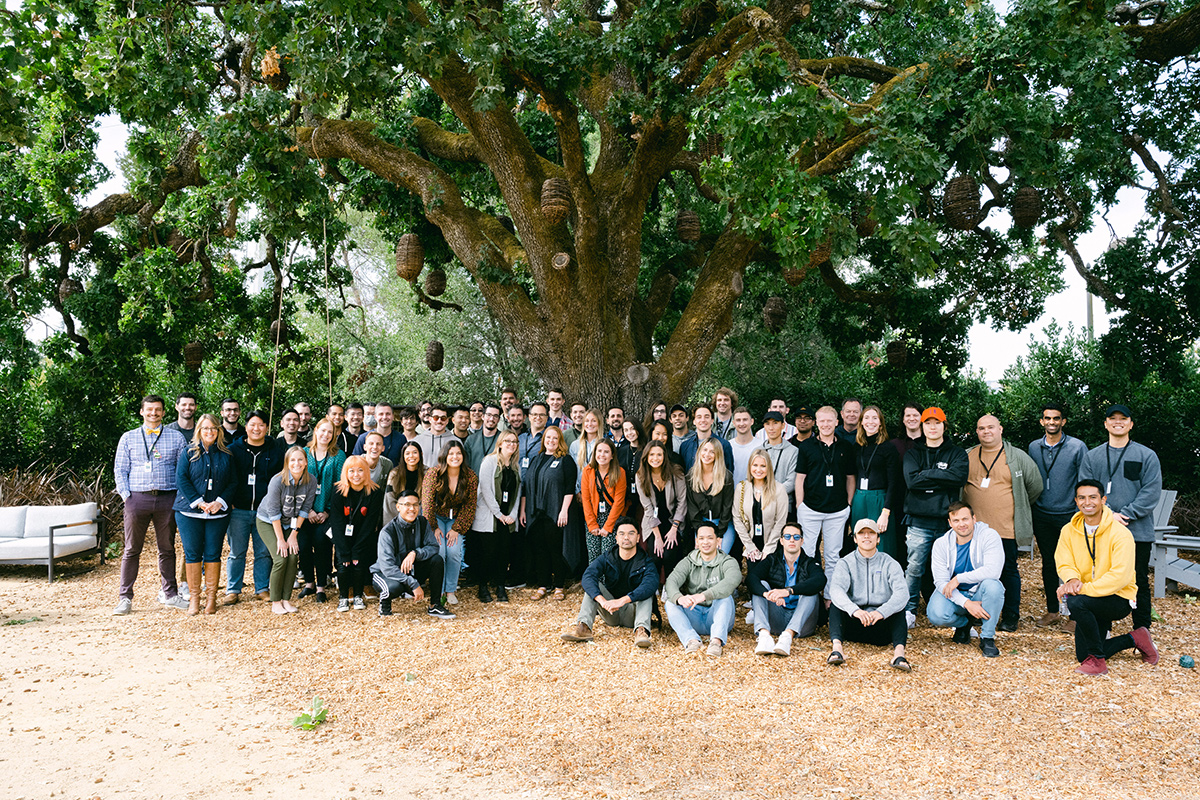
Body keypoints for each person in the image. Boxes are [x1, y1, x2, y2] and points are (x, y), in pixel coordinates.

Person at [1056, 480, 1159, 676]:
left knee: (1076, 602)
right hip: (1090, 598)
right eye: (1082, 498)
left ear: (1103, 500)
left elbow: (1119, 577)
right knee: (1081, 654)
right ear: (1076, 501)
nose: (1088, 502)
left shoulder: (1121, 534)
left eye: (1093, 497)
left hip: (1118, 598)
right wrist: (1071, 579)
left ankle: (1098, 662)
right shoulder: (1068, 530)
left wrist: (1080, 589)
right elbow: (1064, 561)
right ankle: (1135, 638)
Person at [1078, 404, 1162, 633]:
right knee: (1100, 579)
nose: (1118, 422)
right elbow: (1086, 490)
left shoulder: (1146, 455)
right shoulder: (1092, 456)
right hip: (1100, 531)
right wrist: (1108, 514)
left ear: (1131, 423)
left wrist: (1124, 514)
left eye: (1123, 418)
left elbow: (1151, 492)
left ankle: (1142, 632)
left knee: (1139, 581)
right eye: (1112, 418)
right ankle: (1102, 630)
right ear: (1105, 423)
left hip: (1137, 531)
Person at [962, 414, 1043, 632]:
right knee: (975, 572)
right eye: (981, 428)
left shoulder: (1016, 456)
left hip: (1005, 529)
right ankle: (979, 613)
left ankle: (1010, 616)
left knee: (1007, 570)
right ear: (977, 432)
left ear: (1000, 429)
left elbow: (1035, 486)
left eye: (990, 427)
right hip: (973, 530)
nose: (986, 431)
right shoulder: (968, 455)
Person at [113, 395, 190, 615]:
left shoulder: (176, 438)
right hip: (137, 498)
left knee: (166, 548)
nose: (153, 413)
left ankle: (171, 594)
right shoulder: (128, 438)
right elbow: (120, 469)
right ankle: (125, 598)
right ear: (141, 412)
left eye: (158, 410)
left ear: (164, 412)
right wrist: (126, 496)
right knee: (131, 549)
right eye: (149, 410)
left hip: (167, 499)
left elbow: (182, 469)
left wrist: (178, 497)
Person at [902, 407, 968, 627]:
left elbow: (958, 477)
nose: (932, 427)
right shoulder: (913, 453)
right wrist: (942, 477)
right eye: (928, 423)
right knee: (914, 568)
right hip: (919, 521)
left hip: (947, 522)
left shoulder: (957, 453)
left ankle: (953, 609)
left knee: (951, 569)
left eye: (937, 423)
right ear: (922, 427)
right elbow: (911, 482)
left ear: (944, 425)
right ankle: (909, 611)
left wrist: (926, 474)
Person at [1028, 403, 1089, 629]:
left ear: (1063, 421)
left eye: (1056, 418)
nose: (1052, 422)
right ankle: (1053, 611)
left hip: (1068, 515)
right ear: (1042, 421)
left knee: (1075, 565)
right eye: (1047, 418)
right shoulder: (1033, 447)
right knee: (1049, 564)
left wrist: (1079, 513)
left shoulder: (1077, 447)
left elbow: (1084, 480)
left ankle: (1075, 615)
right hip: (1042, 514)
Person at [172, 413, 235, 615]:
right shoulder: (188, 452)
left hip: (217, 513)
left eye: (213, 428)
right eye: (206, 428)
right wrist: (199, 503)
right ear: (199, 430)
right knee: (192, 554)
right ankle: (194, 599)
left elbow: (233, 482)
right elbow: (181, 479)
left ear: (219, 431)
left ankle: (211, 599)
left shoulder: (227, 454)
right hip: (189, 512)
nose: (210, 432)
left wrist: (219, 502)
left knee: (213, 554)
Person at [561, 518, 659, 647]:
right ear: (616, 538)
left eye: (631, 533)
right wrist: (602, 600)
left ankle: (641, 632)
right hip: (610, 611)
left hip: (633, 613)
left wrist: (622, 600)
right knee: (593, 587)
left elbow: (651, 584)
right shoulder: (608, 557)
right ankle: (583, 628)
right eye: (622, 533)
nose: (626, 537)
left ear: (638, 537)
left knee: (646, 591)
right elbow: (588, 576)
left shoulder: (646, 561)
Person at [828, 519, 910, 671]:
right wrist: (855, 611)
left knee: (899, 607)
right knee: (836, 604)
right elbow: (836, 590)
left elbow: (902, 593)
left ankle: (899, 654)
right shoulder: (845, 563)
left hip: (880, 624)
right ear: (855, 538)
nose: (867, 537)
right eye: (861, 533)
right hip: (854, 623)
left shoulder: (890, 563)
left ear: (878, 539)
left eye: (871, 533)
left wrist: (882, 612)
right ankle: (837, 649)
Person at [927, 502, 1006, 657]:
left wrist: (959, 578)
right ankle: (964, 625)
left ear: (974, 519)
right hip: (956, 595)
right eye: (956, 521)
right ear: (949, 523)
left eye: (965, 519)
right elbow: (941, 582)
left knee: (994, 586)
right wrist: (966, 603)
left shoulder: (989, 536)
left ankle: (987, 637)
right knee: (935, 614)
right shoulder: (941, 544)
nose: (961, 524)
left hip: (980, 593)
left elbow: (993, 571)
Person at [795, 406, 857, 598]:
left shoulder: (846, 447)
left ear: (836, 422)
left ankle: (830, 597)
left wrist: (848, 503)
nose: (826, 424)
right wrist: (800, 505)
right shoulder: (806, 446)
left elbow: (850, 477)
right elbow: (800, 478)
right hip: (810, 508)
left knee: (833, 556)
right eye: (821, 421)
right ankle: (806, 593)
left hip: (837, 510)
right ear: (816, 422)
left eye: (829, 421)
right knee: (806, 553)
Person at [225, 409, 283, 605]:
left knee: (264, 552)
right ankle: (233, 590)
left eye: (261, 425)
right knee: (236, 552)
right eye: (252, 424)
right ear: (246, 426)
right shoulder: (233, 449)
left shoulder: (275, 449)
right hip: (238, 510)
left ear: (267, 427)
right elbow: (227, 478)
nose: (256, 428)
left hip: (264, 512)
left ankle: (262, 588)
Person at [371, 491, 456, 620]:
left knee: (437, 560)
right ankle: (385, 603)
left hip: (410, 571)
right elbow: (387, 567)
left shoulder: (422, 523)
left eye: (416, 505)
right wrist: (413, 584)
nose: (412, 509)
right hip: (385, 574)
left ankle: (435, 605)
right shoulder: (388, 531)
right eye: (407, 505)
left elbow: (434, 547)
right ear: (398, 507)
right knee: (394, 587)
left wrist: (415, 553)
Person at [747, 521, 826, 656]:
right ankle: (764, 636)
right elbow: (751, 578)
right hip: (777, 617)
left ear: (802, 541)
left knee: (810, 591)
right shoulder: (772, 560)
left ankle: (787, 637)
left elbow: (820, 580)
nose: (792, 540)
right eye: (788, 536)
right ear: (781, 540)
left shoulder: (810, 562)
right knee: (761, 587)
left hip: (803, 623)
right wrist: (768, 595)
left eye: (796, 537)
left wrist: (788, 591)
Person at [255, 446, 317, 614]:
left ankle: (286, 599)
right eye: (292, 460)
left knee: (292, 557)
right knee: (281, 558)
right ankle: (276, 601)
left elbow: (305, 509)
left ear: (305, 462)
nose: (296, 463)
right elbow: (273, 513)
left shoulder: (311, 481)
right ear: (287, 463)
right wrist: (281, 540)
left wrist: (294, 535)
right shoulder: (278, 480)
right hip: (268, 521)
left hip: (291, 523)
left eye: (300, 460)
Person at [662, 524, 741, 657]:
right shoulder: (689, 561)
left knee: (725, 597)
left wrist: (704, 596)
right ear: (696, 541)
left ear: (718, 541)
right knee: (670, 602)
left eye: (710, 538)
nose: (705, 542)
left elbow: (733, 579)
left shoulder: (727, 561)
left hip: (717, 616)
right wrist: (679, 598)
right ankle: (691, 640)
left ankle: (716, 642)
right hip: (694, 615)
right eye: (701, 538)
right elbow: (672, 581)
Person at [521, 426, 577, 601]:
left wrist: (563, 510)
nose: (551, 441)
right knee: (539, 550)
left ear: (560, 440)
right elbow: (526, 487)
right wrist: (523, 510)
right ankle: (542, 585)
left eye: (555, 438)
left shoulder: (565, 460)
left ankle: (559, 586)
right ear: (543, 440)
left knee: (555, 550)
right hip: (535, 513)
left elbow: (569, 488)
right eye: (548, 438)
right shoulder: (536, 459)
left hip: (555, 513)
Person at [421, 440, 478, 605]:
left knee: (454, 552)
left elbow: (470, 505)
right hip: (437, 518)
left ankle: (451, 590)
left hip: (456, 520)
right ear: (444, 455)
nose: (455, 457)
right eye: (451, 453)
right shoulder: (434, 473)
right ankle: (438, 590)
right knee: (441, 552)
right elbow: (427, 503)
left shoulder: (470, 476)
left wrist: (457, 529)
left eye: (458, 453)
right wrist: (433, 527)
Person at [472, 430, 522, 602]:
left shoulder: (516, 466)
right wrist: (499, 514)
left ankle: (500, 585)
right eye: (507, 441)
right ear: (500, 443)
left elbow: (518, 492)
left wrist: (513, 515)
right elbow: (486, 490)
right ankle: (483, 586)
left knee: (504, 553)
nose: (511, 444)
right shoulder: (489, 461)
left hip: (507, 518)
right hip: (490, 517)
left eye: (514, 442)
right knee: (489, 553)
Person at [329, 455, 384, 612]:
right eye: (351, 471)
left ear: (366, 472)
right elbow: (337, 523)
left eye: (360, 470)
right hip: (342, 536)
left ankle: (358, 595)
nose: (356, 474)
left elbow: (370, 524)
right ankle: (343, 597)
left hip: (363, 536)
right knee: (343, 563)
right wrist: (345, 552)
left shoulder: (375, 492)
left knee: (359, 562)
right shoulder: (338, 491)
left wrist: (356, 551)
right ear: (346, 473)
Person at [299, 418, 345, 603]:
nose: (326, 435)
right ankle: (309, 583)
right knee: (302, 545)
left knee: (321, 544)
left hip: (327, 511)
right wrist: (307, 510)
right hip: (304, 511)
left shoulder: (338, 455)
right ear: (316, 431)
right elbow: (296, 483)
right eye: (323, 430)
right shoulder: (303, 452)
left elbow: (340, 486)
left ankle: (321, 587)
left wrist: (327, 512)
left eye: (330, 432)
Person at [851, 406, 904, 561]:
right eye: (866, 418)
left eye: (875, 418)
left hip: (880, 499)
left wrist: (885, 512)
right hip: (859, 499)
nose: (870, 422)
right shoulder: (856, 447)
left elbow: (894, 482)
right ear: (861, 422)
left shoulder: (888, 448)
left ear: (881, 423)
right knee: (860, 540)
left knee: (882, 544)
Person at [636, 441, 689, 576]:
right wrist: (658, 537)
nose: (655, 458)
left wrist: (674, 528)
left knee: (669, 554)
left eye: (659, 454)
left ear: (665, 456)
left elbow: (682, 501)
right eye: (652, 454)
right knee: (655, 555)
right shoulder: (641, 476)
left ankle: (669, 586)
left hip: (672, 521)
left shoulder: (675, 472)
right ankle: (653, 586)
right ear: (646, 457)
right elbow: (647, 508)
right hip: (653, 522)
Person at [733, 449, 789, 562]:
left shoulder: (779, 489)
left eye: (763, 466)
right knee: (753, 578)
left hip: (773, 546)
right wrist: (750, 546)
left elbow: (780, 521)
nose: (758, 470)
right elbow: (737, 518)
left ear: (768, 468)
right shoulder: (742, 488)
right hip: (751, 548)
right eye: (755, 465)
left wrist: (768, 549)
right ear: (750, 467)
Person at [581, 439, 628, 562]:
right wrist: (592, 525)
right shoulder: (588, 471)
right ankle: (594, 581)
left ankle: (608, 581)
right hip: (593, 517)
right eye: (599, 451)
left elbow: (619, 502)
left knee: (608, 554)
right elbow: (585, 500)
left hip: (612, 518)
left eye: (606, 452)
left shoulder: (619, 472)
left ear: (612, 456)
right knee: (593, 554)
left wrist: (608, 526)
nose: (602, 455)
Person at [686, 438, 736, 554]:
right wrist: (701, 533)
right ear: (699, 452)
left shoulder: (726, 477)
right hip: (701, 523)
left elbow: (727, 507)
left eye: (712, 452)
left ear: (717, 455)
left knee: (720, 554)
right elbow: (692, 508)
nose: (707, 454)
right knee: (703, 555)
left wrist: (718, 535)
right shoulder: (691, 477)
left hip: (723, 524)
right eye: (705, 450)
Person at [756, 411, 798, 508]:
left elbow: (791, 482)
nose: (771, 428)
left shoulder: (793, 451)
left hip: (784, 504)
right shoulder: (758, 451)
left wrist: (769, 494)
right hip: (760, 503)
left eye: (775, 423)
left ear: (783, 425)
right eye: (767, 424)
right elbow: (751, 477)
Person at [679, 404, 733, 472]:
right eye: (699, 417)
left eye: (706, 417)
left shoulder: (724, 445)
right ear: (694, 421)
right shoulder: (685, 446)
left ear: (712, 420)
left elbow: (729, 473)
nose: (703, 420)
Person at [383, 440, 425, 526]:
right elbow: (389, 500)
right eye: (407, 453)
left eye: (414, 452)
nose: (411, 456)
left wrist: (413, 516)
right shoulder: (394, 474)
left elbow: (428, 501)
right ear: (403, 456)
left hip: (419, 518)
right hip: (397, 518)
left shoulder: (427, 473)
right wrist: (402, 517)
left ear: (421, 454)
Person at [465, 403, 502, 474]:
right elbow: (465, 466)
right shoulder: (471, 439)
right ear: (483, 416)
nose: (491, 419)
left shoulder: (503, 439)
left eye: (495, 416)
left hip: (495, 483)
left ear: (499, 420)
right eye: (489, 415)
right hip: (474, 482)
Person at [728, 406, 758, 484]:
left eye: (745, 420)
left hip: (755, 493)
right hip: (732, 493)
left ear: (752, 421)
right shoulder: (728, 446)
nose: (741, 423)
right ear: (733, 423)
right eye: (738, 420)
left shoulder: (761, 445)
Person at [519, 402, 549, 468]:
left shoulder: (550, 440)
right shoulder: (520, 438)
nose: (538, 417)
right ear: (529, 417)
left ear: (546, 418)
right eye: (535, 414)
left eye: (542, 414)